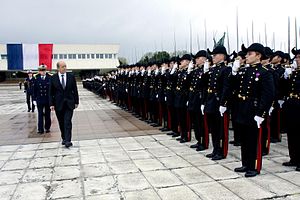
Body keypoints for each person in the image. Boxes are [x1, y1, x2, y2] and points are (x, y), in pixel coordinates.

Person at [228, 43, 275, 177]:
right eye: (246, 54)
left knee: (254, 140)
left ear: (258, 56)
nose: (246, 56)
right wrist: (234, 72)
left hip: (254, 110)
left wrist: (261, 113)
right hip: (242, 108)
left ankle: (254, 166)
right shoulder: (244, 71)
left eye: (250, 54)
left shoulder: (265, 73)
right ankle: (245, 163)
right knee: (244, 139)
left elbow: (268, 95)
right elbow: (232, 85)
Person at [49, 61, 79, 148]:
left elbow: (75, 90)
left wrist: (76, 101)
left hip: (69, 103)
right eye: (62, 67)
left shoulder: (71, 77)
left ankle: (68, 140)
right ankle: (64, 138)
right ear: (58, 68)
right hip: (58, 104)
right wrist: (51, 104)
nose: (65, 68)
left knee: (67, 122)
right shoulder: (53, 78)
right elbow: (50, 92)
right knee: (61, 122)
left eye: (65, 66)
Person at [282, 47, 300, 171]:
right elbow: (286, 89)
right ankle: (294, 158)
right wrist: (285, 77)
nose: (297, 59)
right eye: (297, 57)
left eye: (299, 57)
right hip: (292, 104)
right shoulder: (295, 72)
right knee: (292, 133)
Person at [33, 65, 52, 134]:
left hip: (47, 99)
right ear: (39, 71)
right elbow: (34, 90)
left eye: (44, 70)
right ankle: (40, 129)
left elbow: (51, 90)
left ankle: (47, 127)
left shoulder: (50, 78)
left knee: (47, 114)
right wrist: (34, 99)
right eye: (41, 71)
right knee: (40, 114)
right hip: (40, 99)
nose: (43, 72)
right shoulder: (36, 78)